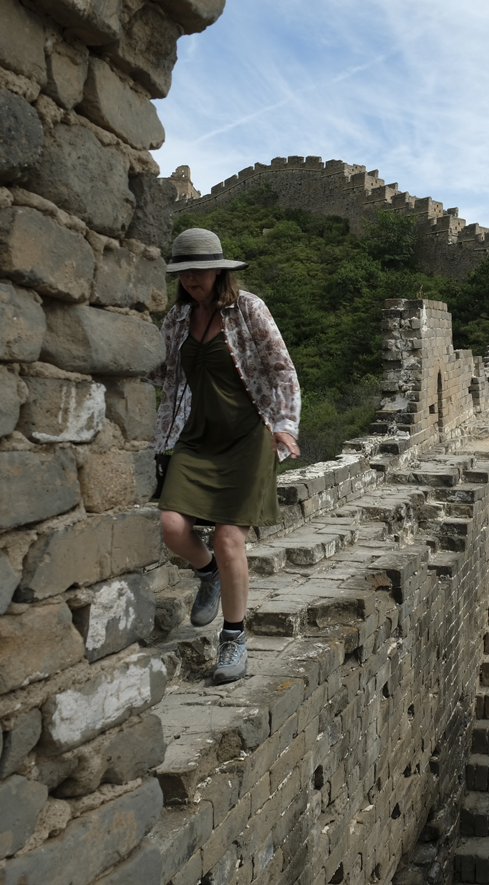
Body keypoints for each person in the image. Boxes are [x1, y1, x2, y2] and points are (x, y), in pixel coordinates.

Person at [150, 227, 301, 685]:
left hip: (247, 435)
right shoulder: (176, 318)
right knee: (172, 526)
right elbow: (158, 372)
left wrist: (284, 426)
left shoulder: (248, 308)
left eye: (199, 271)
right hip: (195, 436)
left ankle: (233, 637)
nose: (192, 279)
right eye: (184, 272)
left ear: (219, 270)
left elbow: (281, 369)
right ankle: (209, 575)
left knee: (228, 537)